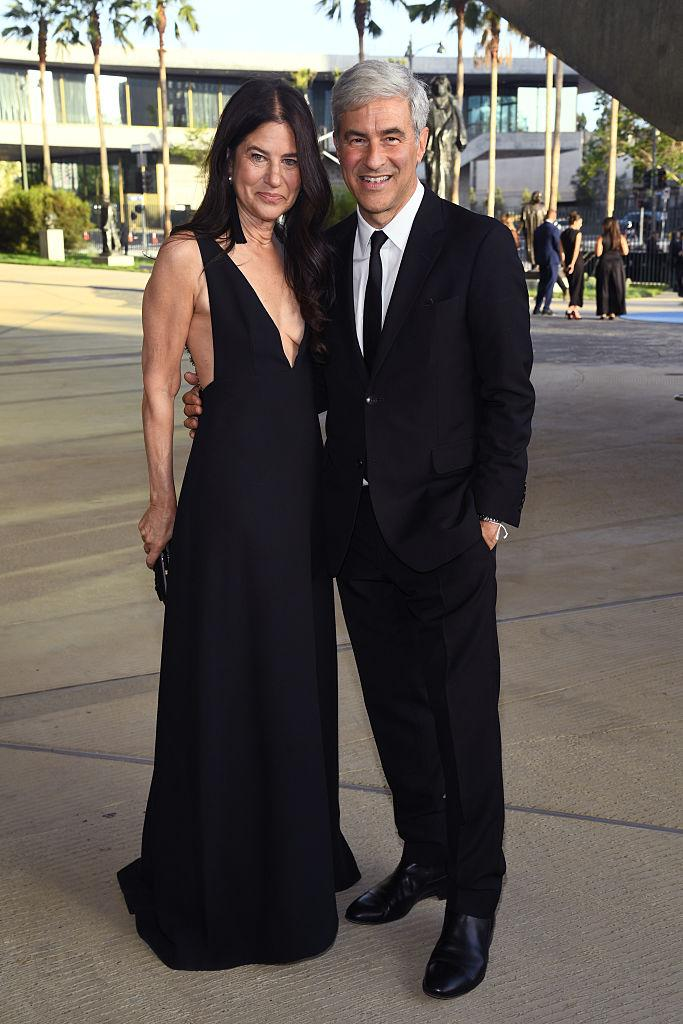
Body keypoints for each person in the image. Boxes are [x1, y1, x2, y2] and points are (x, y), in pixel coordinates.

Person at [184, 60, 535, 1000]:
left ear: (420, 141)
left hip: (450, 529)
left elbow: (508, 392)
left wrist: (492, 515)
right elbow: (300, 372)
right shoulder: (322, 251)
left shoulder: (477, 246)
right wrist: (214, 395)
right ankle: (423, 856)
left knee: (463, 721)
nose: (372, 156)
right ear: (335, 150)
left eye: (390, 136)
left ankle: (473, 901)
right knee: (395, 713)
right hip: (354, 530)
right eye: (354, 138)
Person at [117, 79, 360, 972]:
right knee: (226, 686)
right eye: (258, 156)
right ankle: (218, 879)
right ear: (228, 159)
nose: (273, 177)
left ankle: (290, 863)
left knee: (289, 685)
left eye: (290, 160)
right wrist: (162, 500)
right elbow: (157, 387)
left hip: (299, 510)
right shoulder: (187, 256)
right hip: (226, 509)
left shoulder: (307, 254)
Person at [595, 216, 628, 319]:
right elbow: (625, 252)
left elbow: (598, 253)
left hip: (605, 263)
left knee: (603, 287)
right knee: (616, 287)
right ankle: (613, 311)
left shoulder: (601, 237)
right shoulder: (620, 237)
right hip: (617, 264)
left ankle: (603, 311)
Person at [533, 209, 563, 315]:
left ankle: (537, 307)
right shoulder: (554, 229)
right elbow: (557, 245)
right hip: (552, 259)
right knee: (550, 283)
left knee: (542, 283)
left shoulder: (538, 229)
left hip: (542, 259)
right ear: (553, 216)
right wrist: (561, 257)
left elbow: (535, 245)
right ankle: (546, 307)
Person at [560, 210, 585, 319]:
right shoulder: (578, 234)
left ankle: (574, 310)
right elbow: (576, 249)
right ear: (575, 221)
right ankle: (571, 308)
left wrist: (564, 264)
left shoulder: (563, 234)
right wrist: (573, 264)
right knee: (577, 285)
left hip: (567, 262)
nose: (581, 225)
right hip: (576, 262)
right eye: (580, 222)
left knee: (572, 285)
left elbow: (561, 251)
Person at [520, 190, 545, 266]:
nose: (538, 198)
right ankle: (533, 263)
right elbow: (523, 221)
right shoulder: (526, 208)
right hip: (530, 232)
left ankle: (538, 263)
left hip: (540, 232)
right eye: (537, 196)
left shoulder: (543, 207)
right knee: (530, 247)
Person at [670, 231, 683, 296]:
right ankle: (680, 291)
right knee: (679, 277)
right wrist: (678, 254)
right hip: (679, 262)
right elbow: (673, 253)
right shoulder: (677, 243)